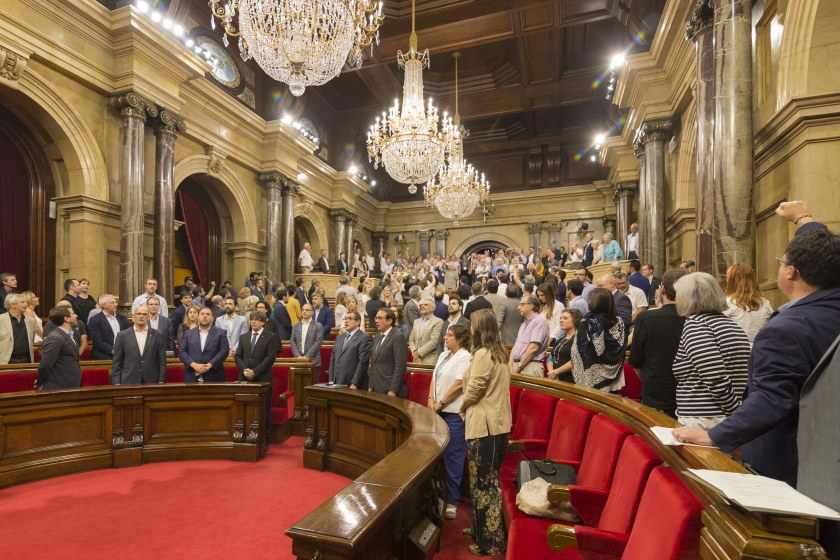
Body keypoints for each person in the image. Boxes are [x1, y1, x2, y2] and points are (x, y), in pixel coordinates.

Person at [674, 202, 839, 487]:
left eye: (781, 261)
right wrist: (804, 219)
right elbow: (825, 253)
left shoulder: (786, 329)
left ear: (791, 272)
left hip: (794, 456)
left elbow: (773, 399)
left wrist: (717, 434)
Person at [458, 309, 511, 556]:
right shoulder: (499, 352)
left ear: (478, 329)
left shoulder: (483, 353)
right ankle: (480, 529)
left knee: (485, 485)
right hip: (498, 424)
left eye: (472, 326)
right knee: (483, 482)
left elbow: (475, 387)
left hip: (485, 426)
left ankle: (490, 542)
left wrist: (463, 405)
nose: (469, 329)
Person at [669, 272, 750, 430]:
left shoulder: (697, 325)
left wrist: (735, 413)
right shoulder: (731, 324)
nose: (677, 300)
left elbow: (715, 378)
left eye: (679, 296)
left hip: (705, 418)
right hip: (721, 415)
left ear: (688, 297)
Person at [628, 269, 688, 419]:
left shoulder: (646, 318)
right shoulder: (696, 320)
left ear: (662, 289)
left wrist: (651, 379)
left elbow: (635, 362)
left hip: (655, 393)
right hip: (689, 396)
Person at [429, 323, 472, 520]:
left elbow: (460, 384)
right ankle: (436, 495)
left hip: (454, 414)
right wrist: (431, 399)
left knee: (453, 458)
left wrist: (442, 402)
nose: (445, 338)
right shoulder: (442, 355)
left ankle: (452, 500)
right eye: (446, 335)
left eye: (450, 335)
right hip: (437, 410)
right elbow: (434, 378)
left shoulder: (465, 357)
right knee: (435, 457)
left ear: (461, 339)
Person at [235, 310, 281, 447]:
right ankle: (244, 437)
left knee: (264, 411)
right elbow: (238, 356)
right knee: (244, 410)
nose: (253, 321)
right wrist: (245, 371)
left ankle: (264, 440)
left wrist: (254, 372)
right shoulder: (244, 337)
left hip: (262, 379)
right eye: (252, 319)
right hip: (244, 379)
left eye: (256, 319)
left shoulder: (271, 337)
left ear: (263, 322)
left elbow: (270, 358)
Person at [571, 288, 626, 391]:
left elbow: (579, 348)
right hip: (614, 373)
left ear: (595, 302)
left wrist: (574, 365)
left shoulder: (588, 321)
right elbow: (621, 344)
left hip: (592, 375)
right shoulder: (618, 321)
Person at [111, 306, 167, 385]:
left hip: (151, 380)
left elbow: (162, 361)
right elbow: (117, 361)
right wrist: (116, 382)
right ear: (133, 316)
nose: (141, 316)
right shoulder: (122, 335)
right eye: (139, 314)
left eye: (144, 314)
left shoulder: (157, 335)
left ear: (148, 317)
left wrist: (161, 380)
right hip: (129, 379)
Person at [723, 263, 773, 346]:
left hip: (737, 351)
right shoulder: (765, 303)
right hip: (760, 350)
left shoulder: (727, 303)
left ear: (731, 281)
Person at [36, 306, 82, 390]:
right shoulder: (55, 338)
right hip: (59, 386)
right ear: (66, 318)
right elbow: (46, 364)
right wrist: (40, 381)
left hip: (70, 385)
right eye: (73, 314)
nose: (76, 316)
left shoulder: (69, 334)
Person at [179, 307, 229, 382]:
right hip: (192, 375)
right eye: (202, 314)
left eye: (208, 314)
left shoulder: (221, 333)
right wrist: (194, 365)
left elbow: (224, 351)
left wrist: (208, 366)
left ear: (212, 318)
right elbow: (182, 352)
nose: (205, 316)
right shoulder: (189, 333)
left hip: (213, 376)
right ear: (198, 317)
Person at [369, 308, 408, 397]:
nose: (376, 321)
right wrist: (371, 386)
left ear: (389, 321)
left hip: (389, 389)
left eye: (380, 318)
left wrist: (393, 390)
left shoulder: (398, 336)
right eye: (376, 318)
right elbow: (374, 363)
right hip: (376, 387)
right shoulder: (378, 336)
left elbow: (400, 366)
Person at [509, 294, 550, 378]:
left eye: (522, 304)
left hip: (530, 366)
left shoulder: (539, 322)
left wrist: (519, 366)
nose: (518, 307)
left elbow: (533, 348)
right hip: (516, 365)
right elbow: (516, 346)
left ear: (531, 306)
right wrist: (510, 365)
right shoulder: (524, 324)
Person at [329, 311, 372, 389]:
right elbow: (333, 359)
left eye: (350, 319)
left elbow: (363, 363)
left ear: (358, 322)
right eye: (345, 319)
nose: (346, 321)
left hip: (352, 384)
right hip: (337, 382)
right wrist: (331, 381)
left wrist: (355, 383)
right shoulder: (339, 337)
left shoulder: (364, 338)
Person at [546, 309, 583, 383]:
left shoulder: (580, 338)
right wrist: (551, 372)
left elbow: (576, 360)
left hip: (571, 380)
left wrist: (556, 372)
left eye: (565, 318)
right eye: (561, 318)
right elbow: (551, 358)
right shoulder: (560, 338)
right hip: (555, 378)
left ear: (575, 320)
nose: (561, 320)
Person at [88, 294, 129, 360]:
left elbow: (128, 335)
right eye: (112, 303)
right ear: (104, 305)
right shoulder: (95, 320)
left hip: (122, 355)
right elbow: (98, 341)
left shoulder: (122, 318)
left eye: (116, 302)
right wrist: (113, 351)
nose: (115, 304)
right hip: (103, 356)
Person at [0, 294, 37, 364]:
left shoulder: (31, 321)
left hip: (26, 360)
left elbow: (31, 338)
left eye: (26, 302)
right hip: (6, 360)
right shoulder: (1, 319)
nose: (26, 304)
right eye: (22, 302)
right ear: (12, 305)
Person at [408, 298, 444, 364]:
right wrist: (415, 353)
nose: (422, 306)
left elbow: (433, 342)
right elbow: (411, 340)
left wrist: (418, 353)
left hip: (429, 359)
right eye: (422, 305)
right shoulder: (416, 321)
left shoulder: (438, 321)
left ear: (432, 308)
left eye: (426, 305)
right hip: (415, 358)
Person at [291, 303, 324, 370]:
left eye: (307, 310)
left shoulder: (318, 326)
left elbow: (318, 342)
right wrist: (298, 356)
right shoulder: (296, 326)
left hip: (313, 360)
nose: (304, 311)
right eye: (303, 310)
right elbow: (292, 341)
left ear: (312, 312)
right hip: (298, 360)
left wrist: (307, 357)